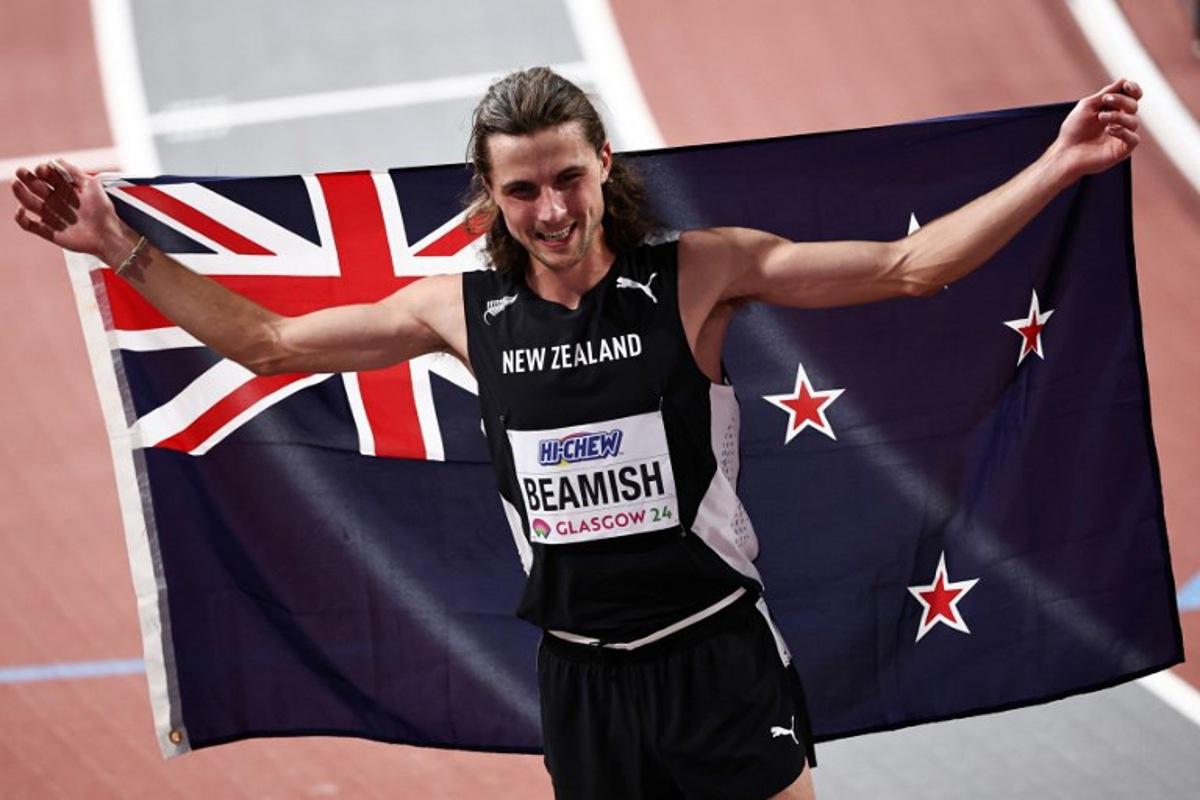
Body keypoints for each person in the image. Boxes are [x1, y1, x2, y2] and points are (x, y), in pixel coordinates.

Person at [12, 68, 1141, 800]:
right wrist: (121, 248)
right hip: (584, 680)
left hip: (715, 654)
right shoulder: (458, 311)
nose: (551, 211)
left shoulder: (698, 274)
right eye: (522, 191)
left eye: (567, 178)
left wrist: (1059, 162)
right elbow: (267, 343)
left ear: (605, 164)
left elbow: (907, 267)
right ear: (488, 194)